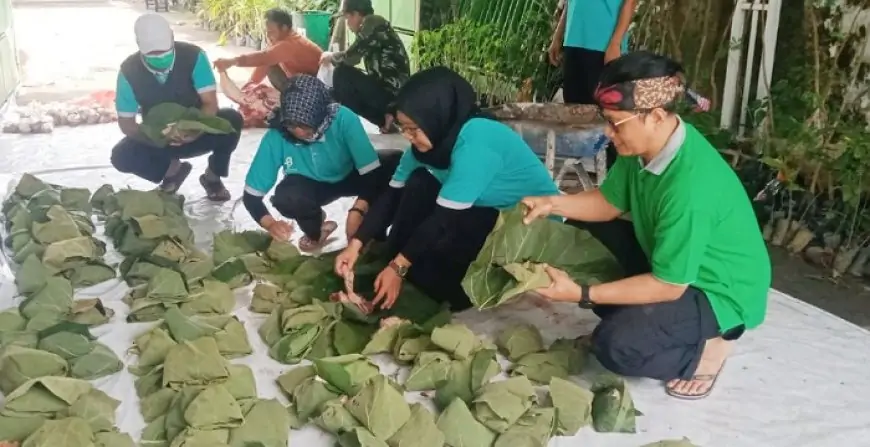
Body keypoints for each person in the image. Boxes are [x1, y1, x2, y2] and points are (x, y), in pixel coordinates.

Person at [522, 51, 771, 400]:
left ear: (655, 116)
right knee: (584, 232)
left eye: (615, 122)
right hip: (673, 263)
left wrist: (581, 295)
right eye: (606, 120)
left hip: (717, 290)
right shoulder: (643, 148)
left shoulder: (690, 187)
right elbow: (608, 203)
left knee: (617, 346)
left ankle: (708, 350)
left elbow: (668, 287)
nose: (608, 133)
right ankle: (637, 317)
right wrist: (553, 202)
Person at [333, 67, 560, 311]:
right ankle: (395, 262)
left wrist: (399, 266)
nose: (408, 137)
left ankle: (408, 271)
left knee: (440, 283)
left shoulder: (476, 143)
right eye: (403, 128)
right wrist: (355, 244)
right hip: (480, 210)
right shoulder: (427, 146)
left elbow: (445, 218)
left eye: (413, 128)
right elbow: (392, 194)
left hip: (525, 228)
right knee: (419, 181)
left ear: (437, 116)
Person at [243, 74, 401, 252]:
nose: (298, 132)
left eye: (306, 126)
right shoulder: (276, 136)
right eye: (291, 125)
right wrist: (270, 224)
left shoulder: (343, 118)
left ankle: (376, 234)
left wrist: (358, 210)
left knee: (396, 164)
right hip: (312, 186)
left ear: (322, 116)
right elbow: (251, 197)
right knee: (287, 197)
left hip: (351, 174)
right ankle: (316, 228)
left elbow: (372, 174)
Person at [111, 13, 241, 201]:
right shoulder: (128, 72)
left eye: (163, 52)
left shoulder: (194, 56)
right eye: (152, 55)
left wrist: (192, 130)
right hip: (158, 141)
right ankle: (173, 171)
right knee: (121, 156)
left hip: (198, 131)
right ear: (139, 45)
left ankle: (213, 177)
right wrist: (158, 136)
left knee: (231, 119)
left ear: (172, 37)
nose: (159, 58)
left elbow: (210, 103)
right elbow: (127, 124)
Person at [213, 8, 323, 128]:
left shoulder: (291, 44)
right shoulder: (279, 39)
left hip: (314, 90)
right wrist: (250, 87)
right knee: (264, 79)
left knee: (270, 102)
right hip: (297, 83)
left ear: (284, 28)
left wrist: (232, 61)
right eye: (267, 31)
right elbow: (265, 61)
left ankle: (294, 108)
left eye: (271, 31)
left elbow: (264, 57)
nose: (268, 35)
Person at [320, 0, 410, 133]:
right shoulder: (375, 25)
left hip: (392, 95)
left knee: (342, 74)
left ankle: (350, 125)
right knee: (340, 89)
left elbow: (351, 58)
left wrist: (330, 56)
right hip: (388, 94)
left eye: (347, 18)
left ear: (355, 14)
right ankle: (386, 118)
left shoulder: (373, 23)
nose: (348, 24)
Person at [548, 0, 636, 104]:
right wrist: (557, 36)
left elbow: (630, 2)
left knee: (600, 107)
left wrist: (615, 43)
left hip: (604, 44)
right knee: (572, 104)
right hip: (573, 39)